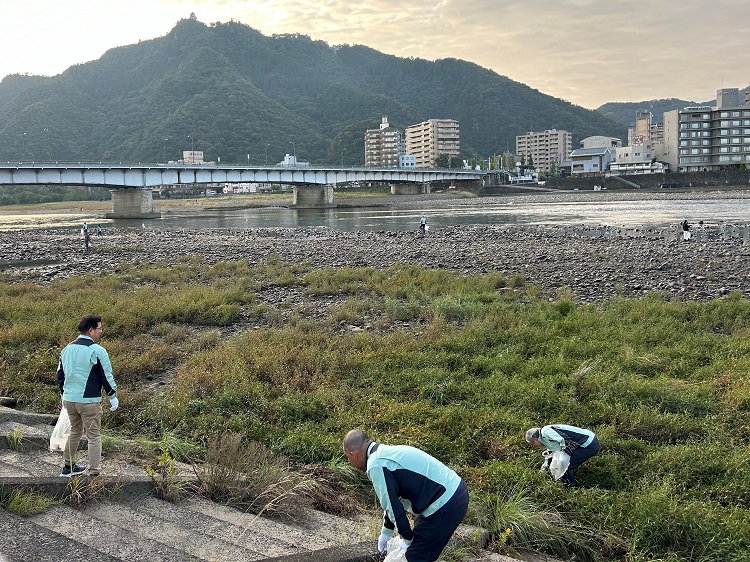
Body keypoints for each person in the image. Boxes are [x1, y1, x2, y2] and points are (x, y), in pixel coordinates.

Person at [343, 429, 468, 562]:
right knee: (411, 549)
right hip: (452, 493)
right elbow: (394, 500)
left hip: (446, 503)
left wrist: (406, 539)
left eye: (348, 457)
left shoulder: (376, 465)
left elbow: (391, 507)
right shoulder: (382, 454)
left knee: (414, 557)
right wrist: (387, 532)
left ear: (354, 454)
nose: (349, 461)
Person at [57, 315, 118, 477]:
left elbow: (60, 375)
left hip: (69, 400)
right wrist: (112, 396)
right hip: (89, 401)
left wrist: (64, 396)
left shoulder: (66, 349)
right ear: (91, 330)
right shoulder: (97, 350)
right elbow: (106, 375)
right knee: (94, 436)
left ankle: (68, 468)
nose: (101, 331)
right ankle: (94, 472)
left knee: (75, 432)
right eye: (100, 328)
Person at [526, 424, 599, 487]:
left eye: (533, 444)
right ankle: (567, 482)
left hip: (589, 443)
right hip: (586, 443)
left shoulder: (545, 431)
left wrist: (566, 453)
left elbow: (563, 439)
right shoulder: (546, 441)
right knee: (563, 463)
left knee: (566, 465)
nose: (535, 446)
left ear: (535, 440)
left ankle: (570, 488)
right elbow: (549, 456)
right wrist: (542, 471)